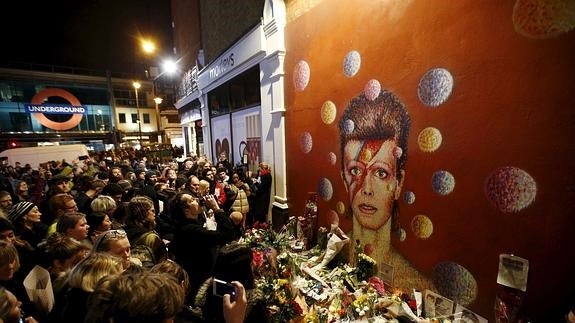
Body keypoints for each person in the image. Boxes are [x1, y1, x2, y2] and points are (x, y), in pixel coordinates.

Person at [338, 90, 434, 291]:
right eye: (355, 170)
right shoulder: (336, 253)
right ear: (344, 179)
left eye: (381, 173)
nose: (366, 189)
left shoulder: (417, 287)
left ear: (398, 183)